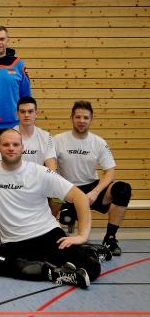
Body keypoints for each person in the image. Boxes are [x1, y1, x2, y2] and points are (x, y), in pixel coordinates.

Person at [0, 129, 100, 289]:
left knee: (92, 268)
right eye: (6, 144)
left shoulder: (40, 172)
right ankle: (54, 273)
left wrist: (82, 235)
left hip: (48, 236)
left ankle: (76, 257)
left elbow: (79, 197)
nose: (11, 148)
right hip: (14, 243)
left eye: (15, 144)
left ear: (22, 147)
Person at [54, 101, 132, 256]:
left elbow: (110, 171)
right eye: (78, 117)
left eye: (85, 117)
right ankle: (51, 235)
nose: (81, 121)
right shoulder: (57, 140)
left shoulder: (99, 142)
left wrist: (95, 192)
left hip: (91, 188)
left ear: (91, 119)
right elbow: (49, 167)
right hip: (66, 188)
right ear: (71, 118)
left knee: (123, 189)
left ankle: (110, 238)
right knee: (48, 197)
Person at [13, 96, 60, 216]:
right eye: (22, 112)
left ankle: (48, 221)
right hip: (15, 180)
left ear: (36, 114)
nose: (26, 115)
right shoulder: (10, 135)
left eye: (30, 111)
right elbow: (5, 164)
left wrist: (49, 181)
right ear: (17, 114)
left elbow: (51, 166)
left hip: (38, 180)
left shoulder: (45, 136)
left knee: (59, 193)